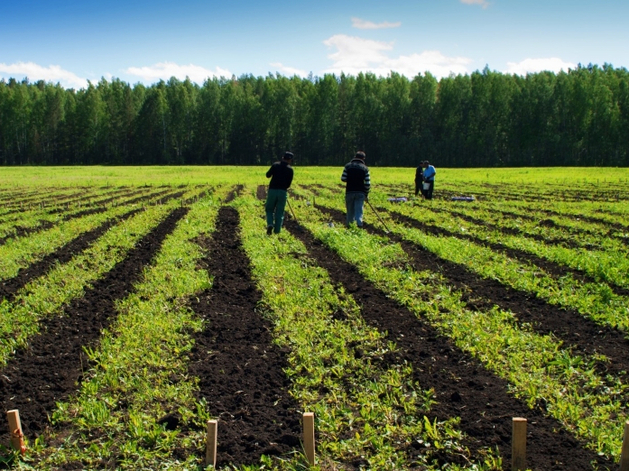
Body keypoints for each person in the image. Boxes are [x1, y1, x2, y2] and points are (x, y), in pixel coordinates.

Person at [265, 151, 294, 235]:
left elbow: (267, 175)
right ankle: (277, 231)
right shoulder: (290, 169)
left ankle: (270, 224)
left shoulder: (275, 165)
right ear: (290, 160)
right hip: (282, 192)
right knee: (280, 211)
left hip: (272, 191)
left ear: (283, 157)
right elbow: (288, 184)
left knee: (269, 209)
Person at [341, 151, 370, 227]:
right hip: (360, 192)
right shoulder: (365, 168)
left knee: (350, 212)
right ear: (363, 159)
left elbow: (343, 178)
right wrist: (366, 194)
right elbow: (367, 183)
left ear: (355, 157)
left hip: (349, 191)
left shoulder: (348, 166)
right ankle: (359, 225)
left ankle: (349, 226)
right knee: (359, 211)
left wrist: (351, 179)